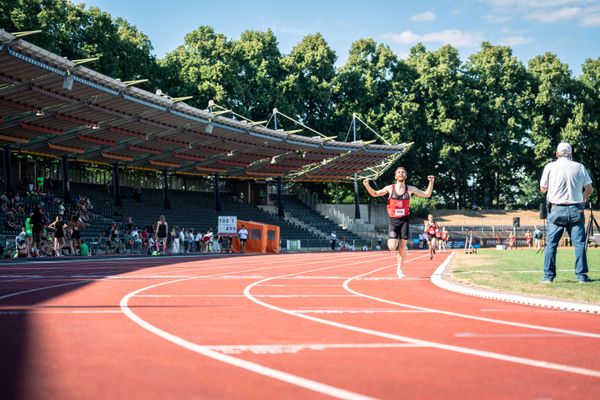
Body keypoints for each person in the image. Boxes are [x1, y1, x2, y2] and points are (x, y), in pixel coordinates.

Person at [363, 167, 435, 278]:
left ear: (405, 176)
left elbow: (426, 194)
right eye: (398, 172)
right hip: (393, 220)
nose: (401, 173)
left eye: (403, 172)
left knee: (402, 246)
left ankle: (399, 269)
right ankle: (395, 245)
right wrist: (367, 185)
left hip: (404, 219)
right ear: (395, 176)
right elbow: (375, 193)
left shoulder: (410, 189)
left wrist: (431, 182)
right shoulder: (390, 188)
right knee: (392, 247)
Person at [540, 142, 594, 283]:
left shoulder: (550, 167)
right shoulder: (580, 167)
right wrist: (582, 199)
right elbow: (590, 190)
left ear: (557, 153)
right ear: (570, 153)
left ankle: (548, 277)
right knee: (579, 244)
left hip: (556, 209)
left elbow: (543, 188)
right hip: (576, 209)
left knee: (551, 244)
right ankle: (582, 276)